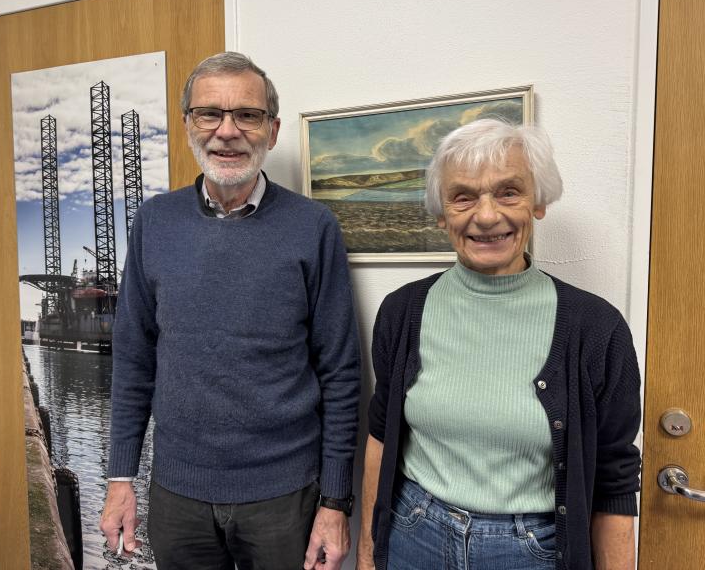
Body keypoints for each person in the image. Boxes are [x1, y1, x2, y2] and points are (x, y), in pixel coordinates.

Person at [99, 51, 360, 570]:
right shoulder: (154, 222)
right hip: (176, 494)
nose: (227, 130)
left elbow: (341, 373)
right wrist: (120, 477)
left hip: (285, 496)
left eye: (247, 114)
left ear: (273, 129)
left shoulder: (313, 226)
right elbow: (133, 361)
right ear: (188, 125)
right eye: (209, 114)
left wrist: (335, 502)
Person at [357, 119, 641, 570]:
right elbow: (380, 437)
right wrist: (369, 556)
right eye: (463, 196)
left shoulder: (596, 329)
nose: (486, 216)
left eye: (509, 192)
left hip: (533, 551)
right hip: (415, 538)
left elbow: (614, 481)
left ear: (539, 202)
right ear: (441, 212)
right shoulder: (402, 311)